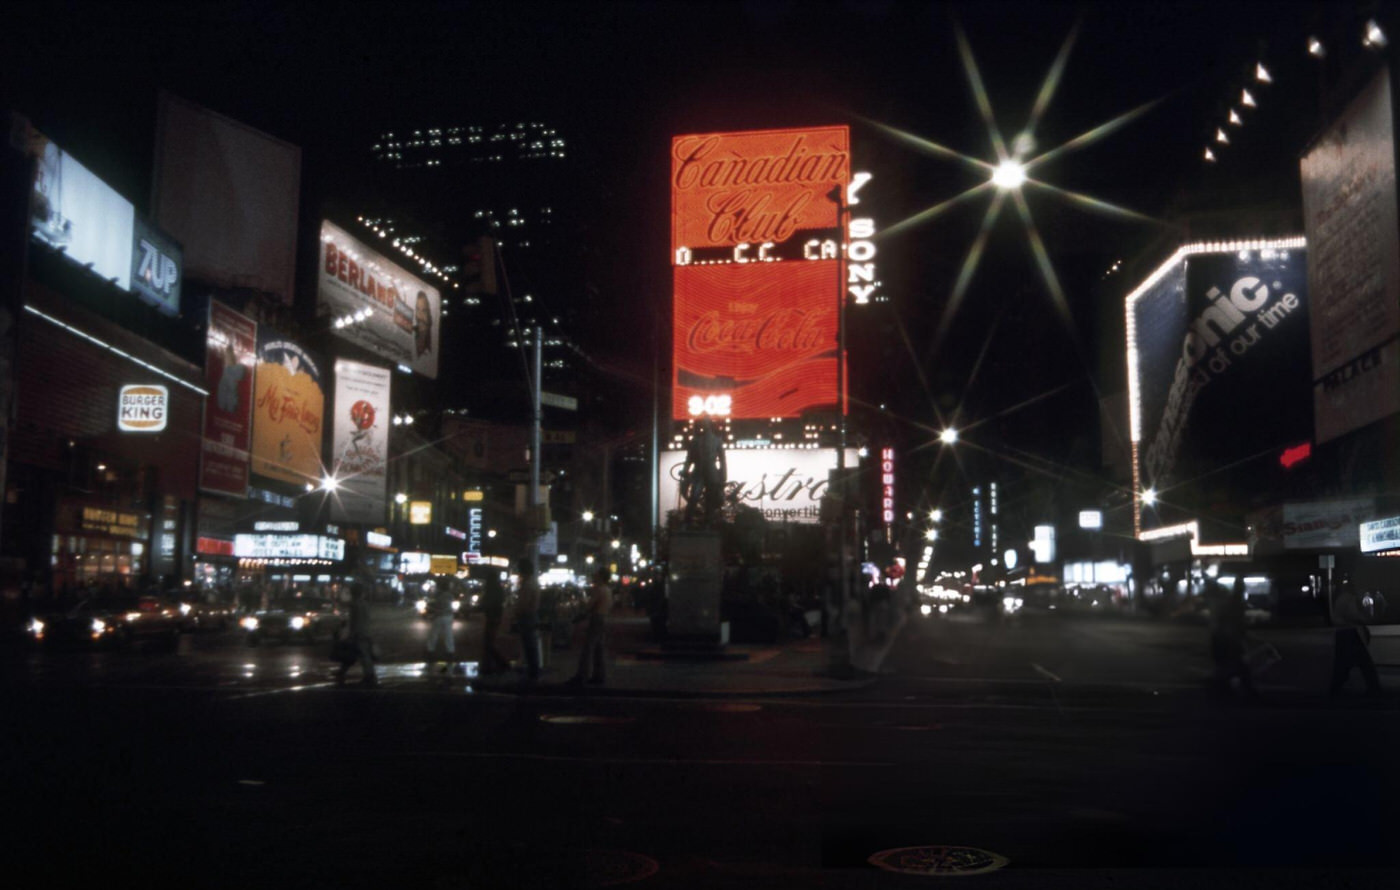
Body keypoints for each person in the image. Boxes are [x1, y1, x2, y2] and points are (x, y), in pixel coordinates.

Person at [1330, 577, 1381, 698]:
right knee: (1364, 662)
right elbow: (1353, 615)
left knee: (1343, 662)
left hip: (1342, 632)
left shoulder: (1340, 599)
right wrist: (1365, 620)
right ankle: (1373, 688)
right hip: (1351, 632)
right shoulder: (1349, 599)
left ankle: (1336, 687)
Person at [1209, 577, 1254, 697]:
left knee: (1228, 666)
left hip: (1223, 638)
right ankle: (1235, 690)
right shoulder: (1234, 604)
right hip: (1228, 639)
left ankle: (1224, 690)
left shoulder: (1226, 603)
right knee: (1237, 666)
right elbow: (1234, 624)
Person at [569, 566, 613, 688]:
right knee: (598, 649)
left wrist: (580, 613)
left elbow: (589, 606)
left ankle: (582, 675)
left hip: (596, 618)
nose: (594, 576)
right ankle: (599, 675)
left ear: (601, 576)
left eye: (596, 574)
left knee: (588, 648)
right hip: (603, 618)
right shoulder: (607, 590)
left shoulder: (599, 590)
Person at [336, 581, 377, 688]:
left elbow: (354, 621)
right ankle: (368, 675)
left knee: (358, 654)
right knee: (359, 654)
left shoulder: (354, 605)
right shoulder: (364, 604)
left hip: (359, 633)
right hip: (365, 632)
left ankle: (369, 676)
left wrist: (350, 634)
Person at [514, 558, 542, 684]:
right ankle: (533, 671)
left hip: (527, 616)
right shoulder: (533, 582)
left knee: (529, 645)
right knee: (531, 645)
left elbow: (524, 603)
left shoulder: (528, 583)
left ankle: (533, 673)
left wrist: (517, 611)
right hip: (530, 615)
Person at [479, 571, 510, 674]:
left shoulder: (490, 590)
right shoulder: (499, 589)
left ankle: (500, 663)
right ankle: (489, 664)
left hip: (492, 616)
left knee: (488, 642)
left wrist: (480, 607)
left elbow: (486, 603)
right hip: (496, 616)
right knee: (489, 641)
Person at [423, 581, 456, 675]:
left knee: (434, 635)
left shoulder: (437, 595)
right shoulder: (450, 595)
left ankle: (430, 651)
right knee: (448, 635)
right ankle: (450, 652)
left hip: (439, 616)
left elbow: (432, 605)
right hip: (448, 616)